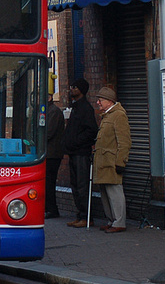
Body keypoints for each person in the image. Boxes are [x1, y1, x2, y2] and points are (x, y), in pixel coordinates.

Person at [93, 87, 131, 233]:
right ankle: (112, 220)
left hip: (111, 163)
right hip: (103, 163)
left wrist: (121, 162)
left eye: (100, 100)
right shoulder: (108, 115)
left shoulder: (119, 115)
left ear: (109, 101)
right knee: (105, 193)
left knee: (115, 192)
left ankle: (119, 222)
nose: (98, 103)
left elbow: (124, 141)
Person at [62, 78, 98, 228]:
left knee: (82, 186)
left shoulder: (86, 109)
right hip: (73, 152)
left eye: (74, 87)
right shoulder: (76, 107)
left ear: (81, 90)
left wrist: (76, 141)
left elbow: (92, 131)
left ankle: (86, 216)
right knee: (75, 185)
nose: (71, 89)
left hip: (81, 153)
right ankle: (80, 214)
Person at [45, 93, 65, 219]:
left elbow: (48, 132)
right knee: (47, 182)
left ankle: (52, 209)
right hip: (49, 153)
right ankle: (49, 208)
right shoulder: (47, 110)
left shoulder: (54, 112)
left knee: (49, 182)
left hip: (52, 153)